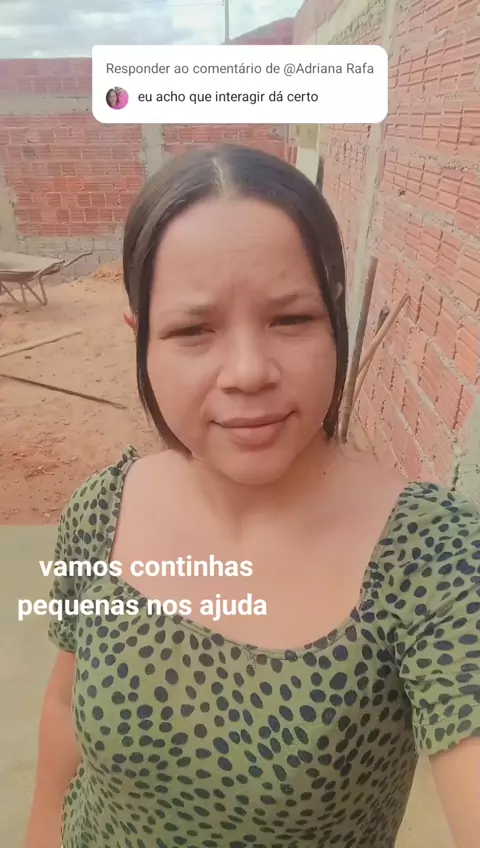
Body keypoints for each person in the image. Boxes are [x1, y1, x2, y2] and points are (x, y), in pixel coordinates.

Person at [24, 144, 480, 848]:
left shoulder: (433, 561)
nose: (247, 372)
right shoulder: (99, 512)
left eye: (290, 320)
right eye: (193, 330)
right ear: (140, 339)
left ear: (334, 318)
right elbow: (63, 705)